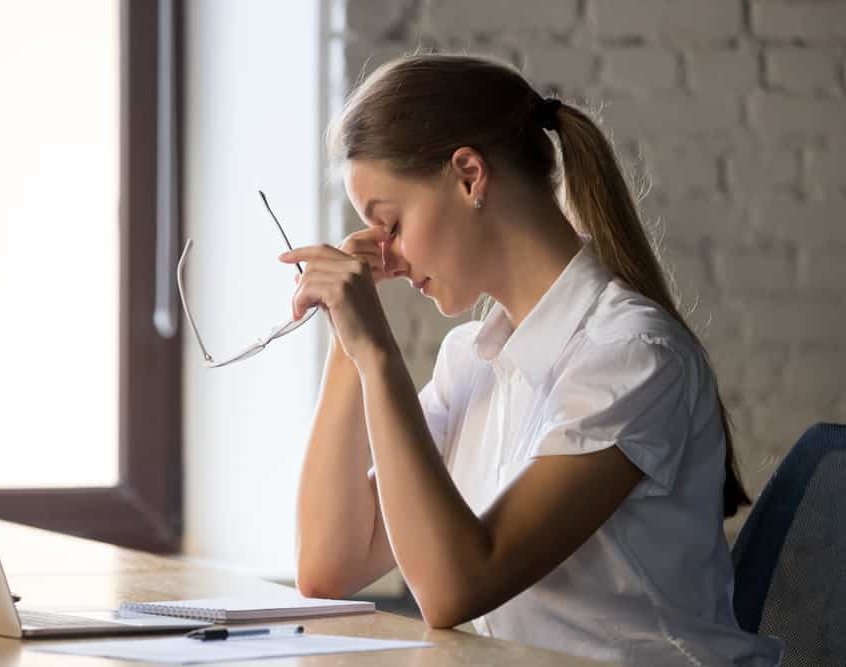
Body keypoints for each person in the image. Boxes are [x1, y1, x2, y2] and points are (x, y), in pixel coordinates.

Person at [281, 53, 784, 666]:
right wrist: (346, 340)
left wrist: (378, 353)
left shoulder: (629, 357)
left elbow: (453, 589)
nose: (389, 254)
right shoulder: (471, 361)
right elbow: (328, 565)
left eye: (390, 222)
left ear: (469, 175)